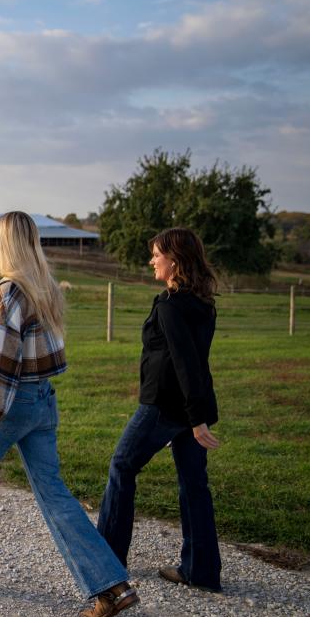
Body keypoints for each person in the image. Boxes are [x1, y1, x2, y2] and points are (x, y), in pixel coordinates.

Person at [0, 211, 138, 617]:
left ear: (5, 244)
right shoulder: (45, 288)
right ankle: (112, 585)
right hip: (43, 401)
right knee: (54, 493)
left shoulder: (11, 291)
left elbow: (1, 363)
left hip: (13, 403)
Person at [96, 228, 222, 592]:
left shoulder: (169, 304)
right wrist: (197, 414)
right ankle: (200, 571)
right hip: (190, 406)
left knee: (122, 465)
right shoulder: (202, 302)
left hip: (164, 406)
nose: (152, 260)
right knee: (194, 484)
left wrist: (195, 420)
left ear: (175, 261)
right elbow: (195, 364)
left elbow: (184, 361)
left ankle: (106, 562)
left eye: (156, 255)